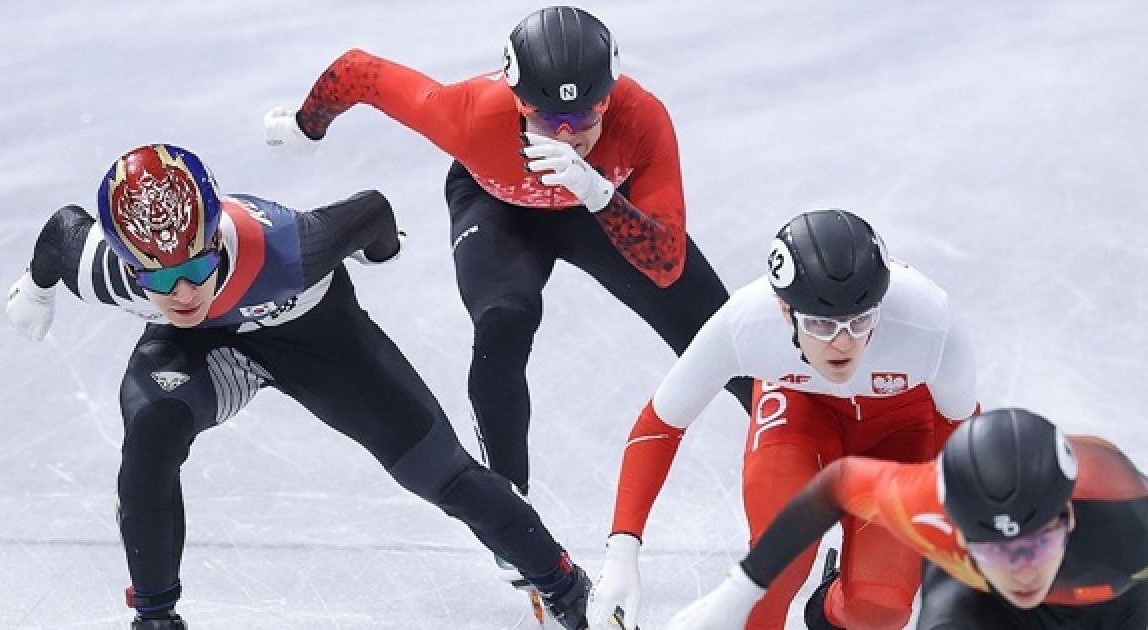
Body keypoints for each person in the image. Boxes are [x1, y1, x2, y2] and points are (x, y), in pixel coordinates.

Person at [4, 143, 595, 629]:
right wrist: (36, 289)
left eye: (196, 267)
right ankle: (156, 619)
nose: (183, 292)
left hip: (316, 337)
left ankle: (565, 585)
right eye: (160, 278)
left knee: (439, 473)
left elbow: (371, 211)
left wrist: (384, 253)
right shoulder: (111, 269)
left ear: (215, 239)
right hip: (200, 349)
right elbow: (60, 234)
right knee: (151, 432)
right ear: (129, 265)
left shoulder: (290, 246)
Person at [262, 5, 755, 507]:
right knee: (503, 321)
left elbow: (665, 265)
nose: (568, 135)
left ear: (609, 97)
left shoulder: (641, 116)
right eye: (548, 118)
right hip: (497, 208)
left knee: (718, 334)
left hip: (604, 208)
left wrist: (598, 193)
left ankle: (815, 464)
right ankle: (512, 513)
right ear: (519, 102)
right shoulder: (471, 113)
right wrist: (306, 127)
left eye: (586, 114)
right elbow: (358, 71)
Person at [588, 209, 980, 630]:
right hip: (801, 413)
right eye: (820, 325)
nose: (842, 341)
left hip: (901, 427)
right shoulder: (745, 321)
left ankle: (828, 610)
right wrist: (621, 554)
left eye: (861, 320)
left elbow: (963, 438)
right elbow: (659, 426)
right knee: (774, 576)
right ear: (784, 311)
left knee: (879, 607)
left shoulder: (930, 322)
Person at [666, 407, 1148, 629]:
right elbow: (836, 485)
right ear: (954, 525)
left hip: (1121, 598)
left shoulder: (1131, 525)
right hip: (981, 600)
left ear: (1067, 516)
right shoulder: (923, 503)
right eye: (993, 549)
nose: (1020, 569)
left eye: (1034, 546)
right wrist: (740, 591)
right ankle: (828, 615)